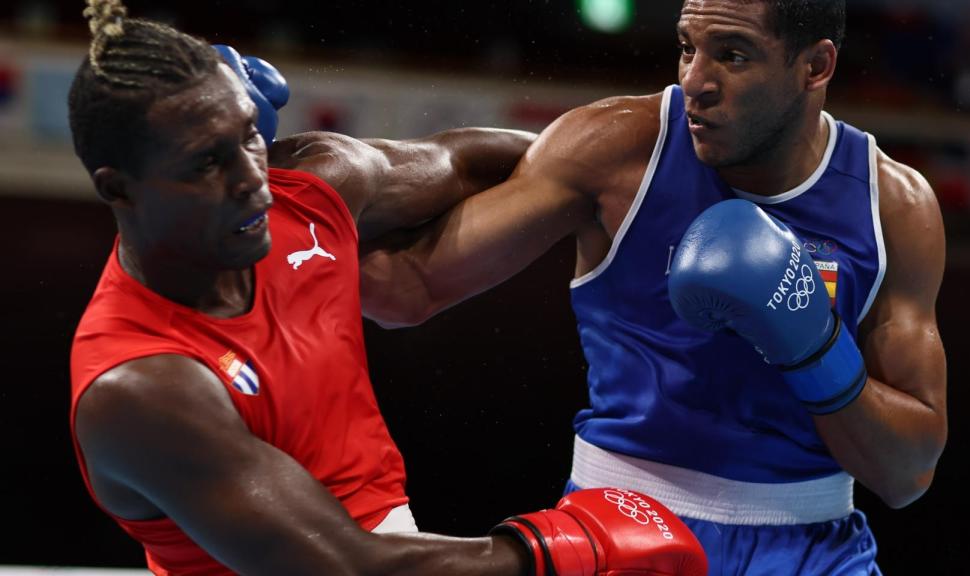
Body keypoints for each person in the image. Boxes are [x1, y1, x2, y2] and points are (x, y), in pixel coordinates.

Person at [67, 1, 709, 574]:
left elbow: (469, 162)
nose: (252, 179)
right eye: (208, 161)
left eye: (247, 139)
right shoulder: (143, 385)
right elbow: (340, 565)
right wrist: (557, 552)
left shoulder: (305, 194)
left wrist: (640, 188)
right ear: (117, 189)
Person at [360, 0, 948, 573]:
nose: (696, 81)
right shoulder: (619, 149)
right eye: (687, 48)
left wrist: (814, 345)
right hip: (622, 529)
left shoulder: (891, 206)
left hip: (818, 550)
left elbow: (907, 476)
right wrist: (281, 237)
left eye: (733, 56)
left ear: (815, 66)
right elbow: (408, 288)